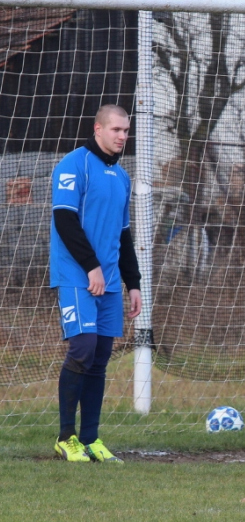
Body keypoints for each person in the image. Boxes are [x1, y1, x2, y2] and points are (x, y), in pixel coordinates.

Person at [50, 104, 141, 463]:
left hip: (111, 280)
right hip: (77, 275)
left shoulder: (122, 177)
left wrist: (133, 283)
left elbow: (124, 235)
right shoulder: (73, 165)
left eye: (125, 131)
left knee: (101, 356)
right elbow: (64, 221)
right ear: (98, 129)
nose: (122, 136)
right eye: (116, 130)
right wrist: (91, 267)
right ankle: (65, 438)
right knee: (83, 348)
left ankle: (90, 439)